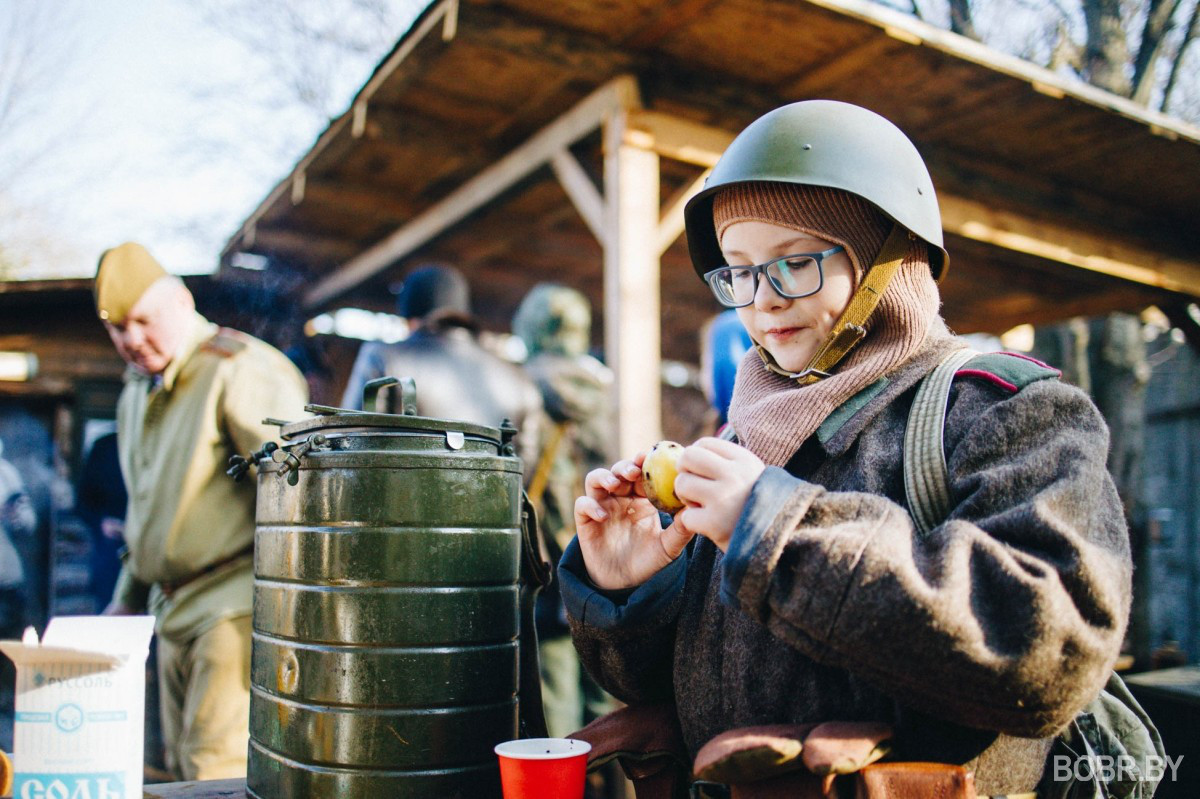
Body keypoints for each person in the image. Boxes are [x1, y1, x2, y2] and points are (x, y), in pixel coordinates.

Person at [560, 101, 1134, 796]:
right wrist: (631, 590)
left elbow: (1054, 646)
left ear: (890, 257)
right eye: (737, 271)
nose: (762, 300)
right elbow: (677, 683)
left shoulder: (1002, 410)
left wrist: (780, 532)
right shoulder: (740, 439)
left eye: (794, 261)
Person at [95, 241, 308, 780]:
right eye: (118, 328)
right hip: (170, 611)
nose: (132, 339)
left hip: (233, 611)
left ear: (182, 301)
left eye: (144, 320)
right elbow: (149, 507)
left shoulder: (237, 369)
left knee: (217, 770)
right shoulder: (135, 393)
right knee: (179, 772)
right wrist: (127, 597)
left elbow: (303, 488)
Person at [512, 283, 615, 741]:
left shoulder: (520, 386)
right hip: (603, 558)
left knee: (553, 688)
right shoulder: (603, 390)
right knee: (606, 687)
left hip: (546, 562)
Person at [341, 264, 544, 474]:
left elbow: (349, 446)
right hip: (496, 504)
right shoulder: (520, 379)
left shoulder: (382, 357)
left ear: (410, 320)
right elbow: (524, 467)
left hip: (404, 504)